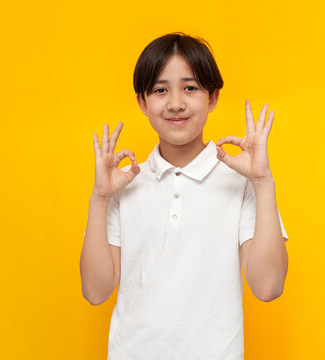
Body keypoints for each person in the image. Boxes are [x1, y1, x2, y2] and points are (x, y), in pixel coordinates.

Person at [80, 32, 289, 360]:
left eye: (190, 88)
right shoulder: (123, 184)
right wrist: (99, 197)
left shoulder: (242, 182)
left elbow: (268, 288)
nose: (176, 102)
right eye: (161, 90)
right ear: (142, 102)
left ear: (213, 97)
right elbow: (95, 291)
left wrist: (263, 182)